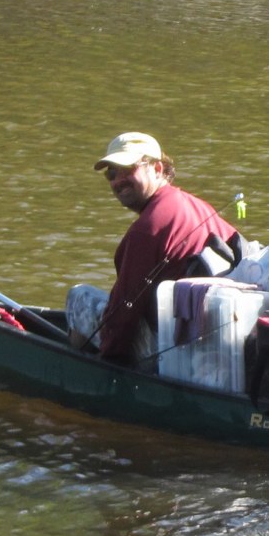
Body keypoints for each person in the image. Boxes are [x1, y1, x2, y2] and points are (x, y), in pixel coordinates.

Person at [66, 132, 241, 366]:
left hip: (171, 348)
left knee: (80, 296)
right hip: (214, 342)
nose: (118, 181)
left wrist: (108, 356)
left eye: (128, 169)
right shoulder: (198, 207)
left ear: (158, 169)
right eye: (112, 173)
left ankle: (81, 368)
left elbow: (121, 316)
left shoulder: (147, 229)